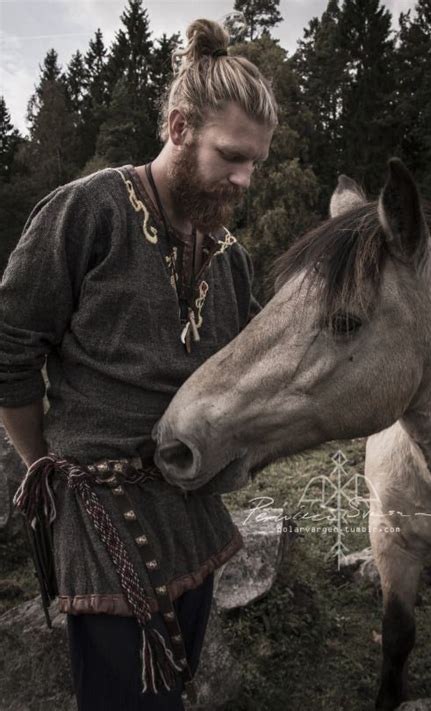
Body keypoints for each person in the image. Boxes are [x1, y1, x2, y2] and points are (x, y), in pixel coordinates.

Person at [0, 18, 277, 711]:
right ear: (179, 126)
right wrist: (44, 462)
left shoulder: (232, 258)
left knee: (174, 693)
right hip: (100, 515)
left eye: (256, 164)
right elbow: (9, 344)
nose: (244, 179)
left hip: (193, 515)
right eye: (232, 156)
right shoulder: (86, 212)